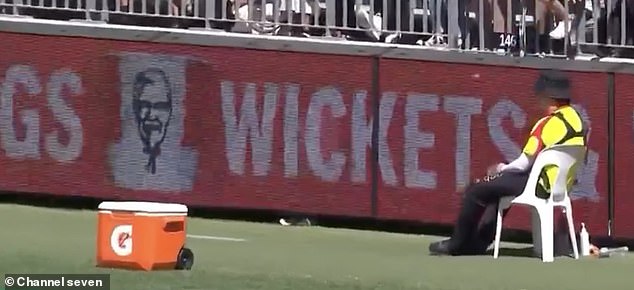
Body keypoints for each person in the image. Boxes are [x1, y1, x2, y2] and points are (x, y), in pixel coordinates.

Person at [429, 70, 588, 256]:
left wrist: (501, 168)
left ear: (549, 98)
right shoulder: (579, 121)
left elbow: (523, 164)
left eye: (540, 96)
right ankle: (479, 243)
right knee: (498, 187)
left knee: (476, 189)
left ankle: (457, 245)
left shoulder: (546, 123)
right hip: (559, 187)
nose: (537, 100)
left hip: (537, 185)